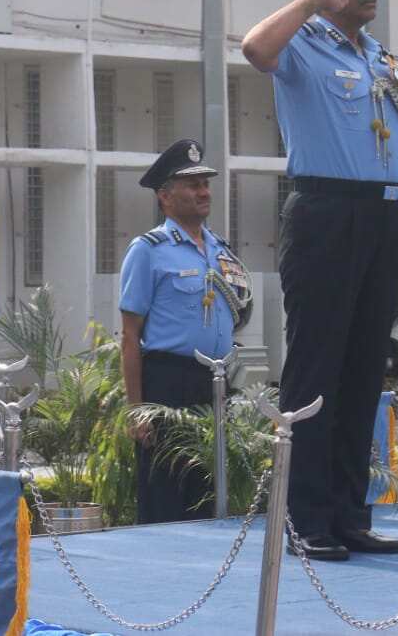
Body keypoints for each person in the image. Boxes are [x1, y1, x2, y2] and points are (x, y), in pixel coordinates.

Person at [241, 0, 398, 561]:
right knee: (316, 367)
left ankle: (348, 514)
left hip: (384, 215)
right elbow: (254, 47)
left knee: (366, 365)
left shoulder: (377, 56)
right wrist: (314, 1)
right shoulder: (302, 44)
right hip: (325, 213)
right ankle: (305, 516)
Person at [119, 139, 252, 525]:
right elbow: (130, 337)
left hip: (215, 383)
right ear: (165, 196)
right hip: (168, 383)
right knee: (166, 493)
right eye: (192, 185)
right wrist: (137, 410)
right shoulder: (148, 250)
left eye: (205, 184)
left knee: (210, 493)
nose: (204, 192)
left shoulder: (221, 250)